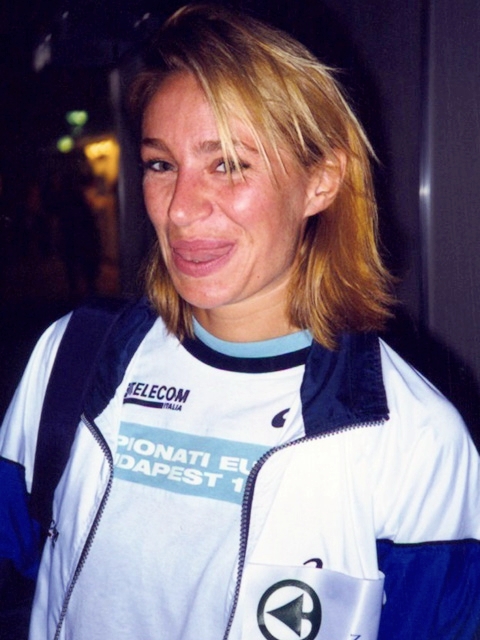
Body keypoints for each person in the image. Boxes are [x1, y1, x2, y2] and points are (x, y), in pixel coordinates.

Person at [1, 4, 479, 639]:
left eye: (227, 162)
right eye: (160, 164)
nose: (179, 210)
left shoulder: (411, 442)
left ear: (321, 181)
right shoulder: (73, 360)